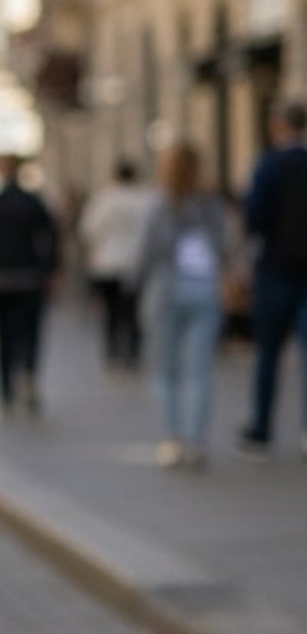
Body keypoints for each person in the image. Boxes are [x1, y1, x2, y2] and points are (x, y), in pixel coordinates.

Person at [137, 143, 233, 468]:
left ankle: (172, 438)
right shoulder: (209, 205)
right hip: (203, 289)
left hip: (164, 289)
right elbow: (223, 246)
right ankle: (195, 440)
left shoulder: (160, 203)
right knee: (199, 369)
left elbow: (148, 250)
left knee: (165, 369)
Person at [237, 99, 307, 457]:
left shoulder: (269, 165)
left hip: (275, 270)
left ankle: (262, 428)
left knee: (268, 352)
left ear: (277, 126)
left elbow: (253, 215)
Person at [0, 153, 61, 415]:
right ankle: (28, 373)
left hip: (0, 279)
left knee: (3, 335)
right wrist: (52, 270)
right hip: (29, 277)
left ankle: (5, 388)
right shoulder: (33, 202)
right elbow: (51, 236)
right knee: (30, 332)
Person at [78, 159, 155, 371]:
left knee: (111, 313)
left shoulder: (104, 199)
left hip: (107, 263)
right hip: (135, 264)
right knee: (133, 312)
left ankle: (112, 353)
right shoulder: (146, 199)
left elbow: (88, 232)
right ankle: (132, 354)